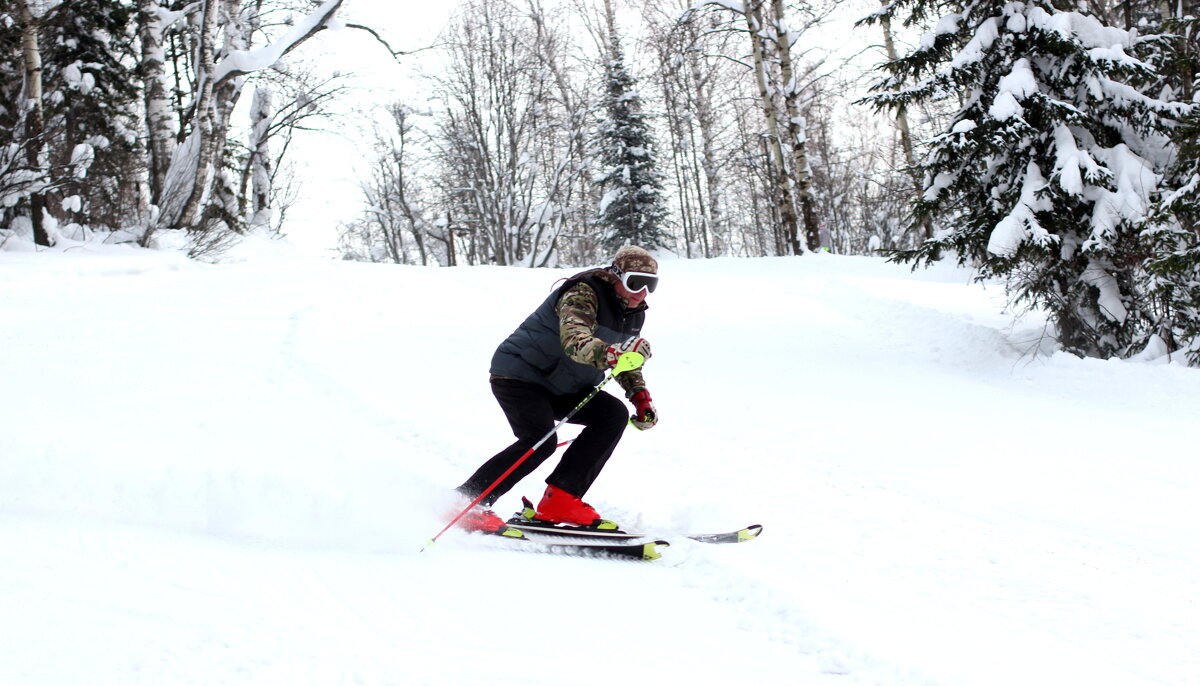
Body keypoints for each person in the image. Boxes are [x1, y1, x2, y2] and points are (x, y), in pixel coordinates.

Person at [452, 245, 660, 536]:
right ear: (616, 276)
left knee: (612, 415)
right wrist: (612, 353)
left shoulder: (635, 312)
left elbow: (625, 361)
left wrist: (640, 397)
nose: (642, 292)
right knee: (540, 439)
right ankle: (467, 501)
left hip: (567, 384)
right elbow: (575, 340)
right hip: (520, 374)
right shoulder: (582, 294)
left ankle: (560, 499)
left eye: (650, 284)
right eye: (635, 282)